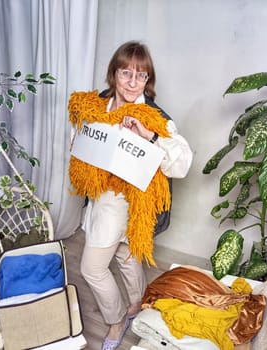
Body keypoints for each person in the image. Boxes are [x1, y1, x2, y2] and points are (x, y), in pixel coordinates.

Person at [68, 41, 193, 350]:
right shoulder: (96, 103)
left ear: (148, 80)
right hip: (100, 194)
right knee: (125, 255)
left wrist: (148, 136)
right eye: (126, 73)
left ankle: (114, 322)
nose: (133, 82)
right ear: (114, 73)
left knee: (91, 269)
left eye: (141, 75)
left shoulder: (153, 116)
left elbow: (181, 163)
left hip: (129, 200)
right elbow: (80, 139)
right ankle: (136, 306)